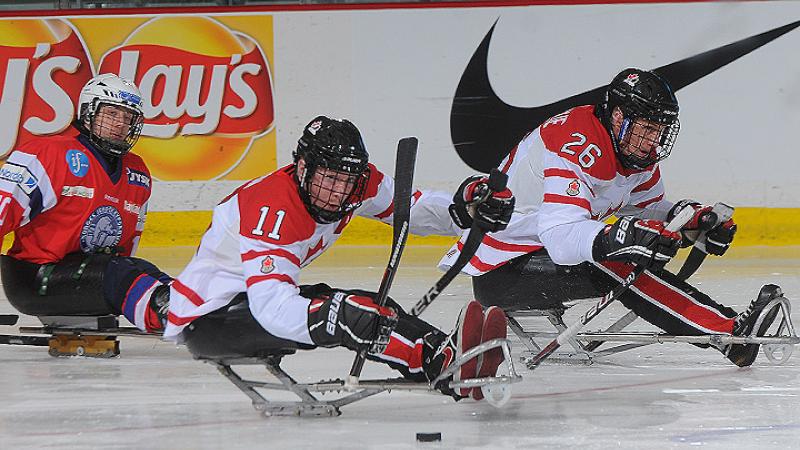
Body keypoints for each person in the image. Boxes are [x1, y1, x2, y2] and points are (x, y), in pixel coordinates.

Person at [439, 68, 781, 367]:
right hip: (502, 271)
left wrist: (692, 219)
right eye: (646, 128)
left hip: (530, 256)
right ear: (618, 116)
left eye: (659, 130)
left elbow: (648, 207)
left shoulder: (630, 151)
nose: (652, 141)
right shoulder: (573, 143)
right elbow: (561, 236)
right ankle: (728, 334)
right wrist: (620, 239)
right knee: (618, 261)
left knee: (624, 250)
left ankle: (724, 327)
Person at [161, 116, 516, 400]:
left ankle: (445, 356)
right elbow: (272, 308)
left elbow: (412, 209)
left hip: (249, 301)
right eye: (329, 178)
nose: (337, 192)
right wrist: (333, 316)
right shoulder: (271, 210)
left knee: (374, 307)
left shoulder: (354, 185)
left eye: (347, 181)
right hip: (210, 320)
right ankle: (441, 362)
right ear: (302, 168)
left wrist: (466, 208)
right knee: (351, 313)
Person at [0, 74, 171, 333]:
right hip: (35, 278)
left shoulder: (138, 173)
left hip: (94, 274)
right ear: (88, 112)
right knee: (118, 272)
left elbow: (125, 249)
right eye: (111, 114)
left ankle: (197, 308)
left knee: (142, 270)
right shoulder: (46, 155)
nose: (120, 125)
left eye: (127, 118)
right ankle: (175, 316)